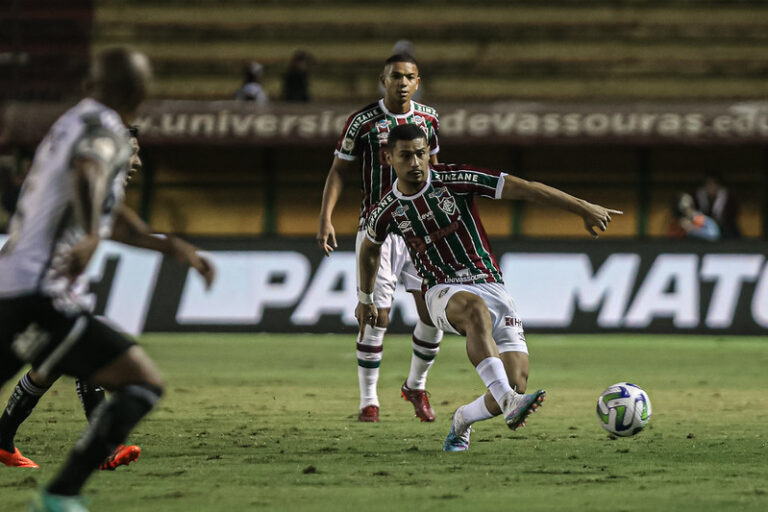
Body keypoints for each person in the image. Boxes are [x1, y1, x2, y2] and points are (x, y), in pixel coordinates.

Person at [0, 47, 214, 511]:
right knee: (142, 384)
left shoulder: (73, 120)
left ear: (89, 86)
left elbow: (113, 217)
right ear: (142, 93)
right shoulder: (106, 130)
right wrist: (93, 233)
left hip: (13, 287)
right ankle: (62, 493)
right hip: (42, 294)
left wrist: (168, 246)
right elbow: (89, 169)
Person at [357, 124, 622, 451]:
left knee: (515, 381)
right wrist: (365, 298)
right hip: (441, 291)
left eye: (421, 153)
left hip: (492, 285)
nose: (415, 162)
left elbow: (525, 188)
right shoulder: (385, 209)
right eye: (406, 155)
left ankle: (463, 419)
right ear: (388, 157)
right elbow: (368, 249)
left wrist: (581, 207)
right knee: (474, 311)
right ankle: (510, 401)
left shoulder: (456, 179)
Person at [0, 125, 155, 472]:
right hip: (21, 289)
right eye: (131, 150)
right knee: (83, 350)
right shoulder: (81, 182)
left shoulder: (99, 189)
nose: (137, 161)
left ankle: (3, 439)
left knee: (53, 363)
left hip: (33, 290)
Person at [317, 53, 443, 423]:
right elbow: (338, 171)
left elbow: (435, 169)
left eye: (409, 77)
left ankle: (415, 386)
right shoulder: (362, 122)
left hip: (421, 230)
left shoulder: (429, 119)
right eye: (395, 77)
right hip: (379, 229)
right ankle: (368, 401)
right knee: (376, 316)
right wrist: (325, 218)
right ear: (383, 80)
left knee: (432, 313)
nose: (402, 83)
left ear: (417, 82)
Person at [694, 173, 741, 238]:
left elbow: (730, 218)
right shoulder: (699, 197)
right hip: (704, 228)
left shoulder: (728, 197)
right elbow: (697, 216)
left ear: (719, 185)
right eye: (708, 184)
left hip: (724, 229)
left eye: (713, 184)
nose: (710, 187)